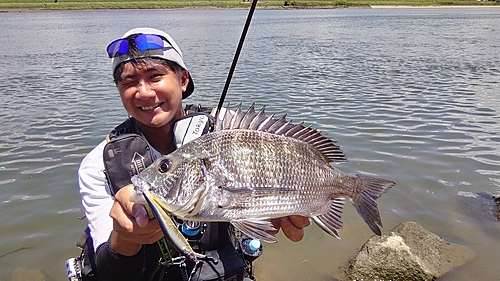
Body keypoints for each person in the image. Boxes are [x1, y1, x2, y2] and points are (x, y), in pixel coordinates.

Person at [78, 27, 310, 281]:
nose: (143, 92)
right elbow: (109, 272)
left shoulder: (227, 126)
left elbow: (280, 155)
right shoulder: (98, 164)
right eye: (129, 82)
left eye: (155, 76)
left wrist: (289, 205)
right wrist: (124, 237)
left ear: (183, 79)